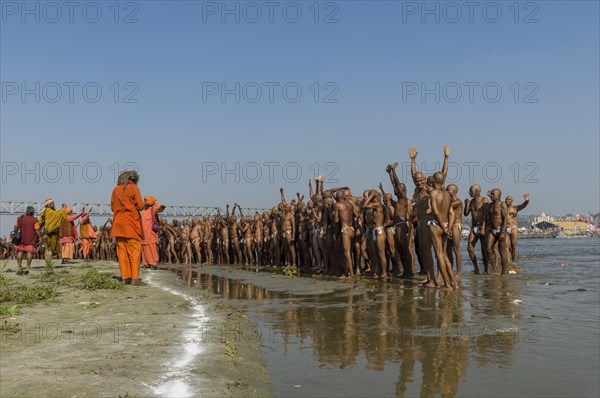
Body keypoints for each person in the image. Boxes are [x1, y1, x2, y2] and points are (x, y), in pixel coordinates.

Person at [110, 170, 145, 285]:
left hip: (118, 225)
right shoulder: (134, 188)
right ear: (134, 180)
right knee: (134, 251)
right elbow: (140, 206)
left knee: (122, 252)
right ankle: (134, 278)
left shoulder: (115, 189)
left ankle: (125, 278)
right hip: (131, 224)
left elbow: (112, 207)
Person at [37, 198, 68, 267]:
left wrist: (39, 229)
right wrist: (63, 209)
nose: (54, 205)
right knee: (50, 249)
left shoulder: (46, 211)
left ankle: (47, 264)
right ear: (49, 204)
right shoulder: (49, 211)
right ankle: (48, 264)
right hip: (52, 233)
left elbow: (41, 222)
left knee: (47, 249)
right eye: (53, 204)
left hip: (49, 233)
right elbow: (58, 214)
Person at [141, 196, 165, 270]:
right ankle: (145, 263)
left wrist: (155, 202)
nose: (144, 202)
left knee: (151, 247)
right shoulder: (142, 211)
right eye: (144, 200)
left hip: (150, 233)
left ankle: (153, 263)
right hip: (143, 233)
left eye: (146, 201)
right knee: (144, 247)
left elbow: (159, 209)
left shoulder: (153, 209)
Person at [14, 206, 40, 275]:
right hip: (30, 238)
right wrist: (40, 237)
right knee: (29, 252)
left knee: (20, 251)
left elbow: (15, 227)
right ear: (33, 212)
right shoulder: (34, 220)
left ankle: (19, 266)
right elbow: (37, 230)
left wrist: (16, 233)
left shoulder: (20, 218)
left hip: (21, 238)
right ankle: (28, 266)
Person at [505, 194, 530, 261]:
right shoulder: (503, 208)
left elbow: (523, 205)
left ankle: (513, 260)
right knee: (506, 245)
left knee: (513, 245)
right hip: (505, 227)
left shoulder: (515, 208)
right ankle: (508, 260)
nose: (507, 200)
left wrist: (527, 200)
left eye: (509, 199)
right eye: (506, 199)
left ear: (512, 201)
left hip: (513, 227)